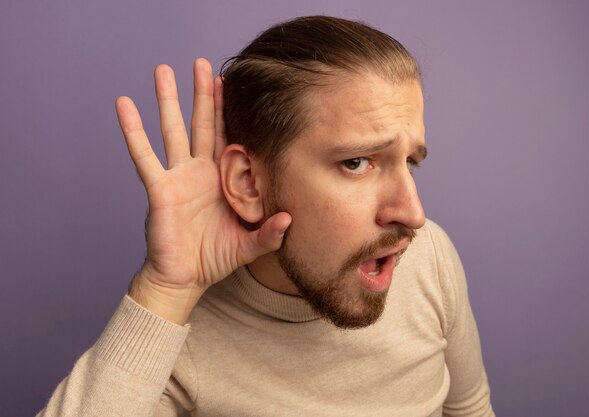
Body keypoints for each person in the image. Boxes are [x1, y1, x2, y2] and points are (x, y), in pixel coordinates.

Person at [38, 15, 495, 416]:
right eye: (357, 162)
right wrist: (165, 290)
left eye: (410, 162)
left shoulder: (430, 258)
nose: (413, 214)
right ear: (249, 183)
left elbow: (471, 409)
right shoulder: (180, 339)